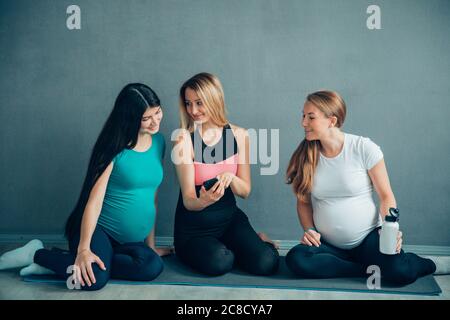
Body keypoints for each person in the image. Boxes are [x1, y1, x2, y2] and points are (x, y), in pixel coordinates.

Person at [0, 83, 172, 290]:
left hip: (131, 241)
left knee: (151, 266)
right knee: (96, 279)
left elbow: (151, 196)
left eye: (157, 112)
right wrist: (83, 250)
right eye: (146, 118)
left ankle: (64, 262)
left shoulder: (159, 142)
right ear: (130, 118)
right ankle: (36, 253)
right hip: (100, 231)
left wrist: (150, 246)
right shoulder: (114, 149)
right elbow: (94, 202)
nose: (155, 122)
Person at [285, 90, 449, 285]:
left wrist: (390, 230)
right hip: (328, 245)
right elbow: (303, 202)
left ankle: (431, 264)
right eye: (303, 116)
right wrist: (309, 230)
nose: (303, 123)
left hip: (368, 239)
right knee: (297, 259)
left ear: (332, 120)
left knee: (399, 273)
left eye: (310, 117)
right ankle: (369, 268)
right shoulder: (305, 155)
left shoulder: (363, 148)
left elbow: (386, 196)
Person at [172, 72, 279, 276]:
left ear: (214, 100)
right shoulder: (184, 139)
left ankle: (247, 244)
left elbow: (245, 191)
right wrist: (204, 201)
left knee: (267, 262)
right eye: (188, 103)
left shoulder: (240, 135)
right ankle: (219, 250)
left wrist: (231, 178)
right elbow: (188, 200)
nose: (193, 110)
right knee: (220, 263)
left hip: (229, 221)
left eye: (199, 103)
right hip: (194, 230)